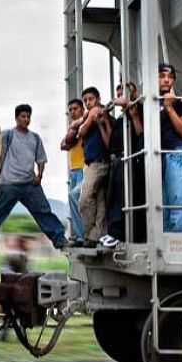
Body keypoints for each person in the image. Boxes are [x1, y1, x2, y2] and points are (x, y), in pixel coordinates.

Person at [0, 104, 67, 249]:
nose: (26, 119)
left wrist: (39, 176)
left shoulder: (35, 138)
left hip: (30, 183)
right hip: (9, 183)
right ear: (16, 118)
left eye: (28, 117)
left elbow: (41, 159)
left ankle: (60, 239)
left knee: (43, 212)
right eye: (23, 116)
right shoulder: (7, 135)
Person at [102, 82, 145, 247]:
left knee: (125, 199)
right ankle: (113, 233)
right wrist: (104, 122)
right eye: (118, 93)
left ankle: (117, 234)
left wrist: (130, 109)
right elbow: (111, 144)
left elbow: (141, 134)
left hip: (131, 160)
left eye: (125, 92)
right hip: (116, 161)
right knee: (113, 198)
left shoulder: (139, 109)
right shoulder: (120, 119)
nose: (120, 95)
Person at [75, 87, 112, 248]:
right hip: (91, 162)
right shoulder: (90, 115)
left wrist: (88, 117)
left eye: (91, 99)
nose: (88, 103)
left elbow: (81, 132)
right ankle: (100, 235)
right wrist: (86, 117)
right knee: (100, 202)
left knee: (84, 200)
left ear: (98, 99)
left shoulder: (99, 113)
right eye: (85, 100)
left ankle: (90, 236)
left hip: (99, 162)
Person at [159, 63, 182, 232]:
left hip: (177, 154)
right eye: (162, 76)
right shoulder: (150, 103)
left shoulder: (179, 101)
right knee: (163, 212)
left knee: (180, 209)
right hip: (157, 157)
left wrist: (169, 107)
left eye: (170, 77)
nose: (166, 80)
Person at [60, 98, 86, 247]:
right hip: (74, 170)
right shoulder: (72, 127)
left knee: (78, 198)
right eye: (70, 110)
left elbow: (69, 142)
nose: (72, 112)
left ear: (82, 109)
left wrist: (72, 135)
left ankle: (82, 236)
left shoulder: (84, 123)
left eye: (75, 109)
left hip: (84, 168)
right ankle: (78, 235)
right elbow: (63, 145)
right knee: (75, 202)